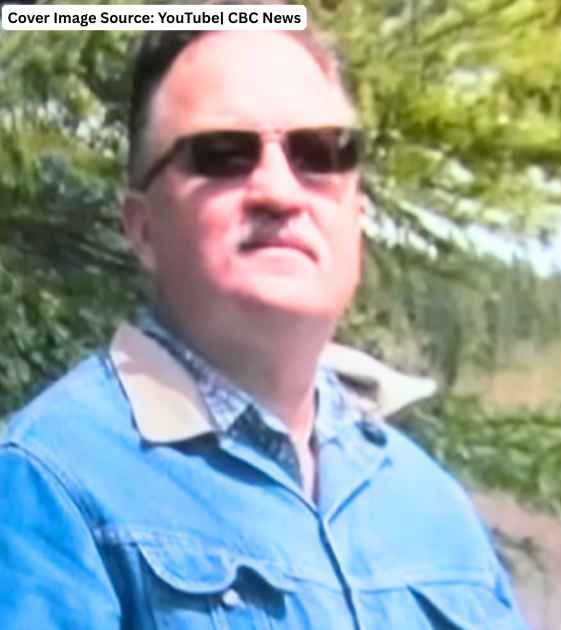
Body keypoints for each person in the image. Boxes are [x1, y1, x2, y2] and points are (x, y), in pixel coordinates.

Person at [0, 27, 526, 628]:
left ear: (356, 210)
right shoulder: (48, 484)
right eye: (222, 153)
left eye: (321, 152)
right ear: (142, 227)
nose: (279, 191)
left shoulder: (431, 503)